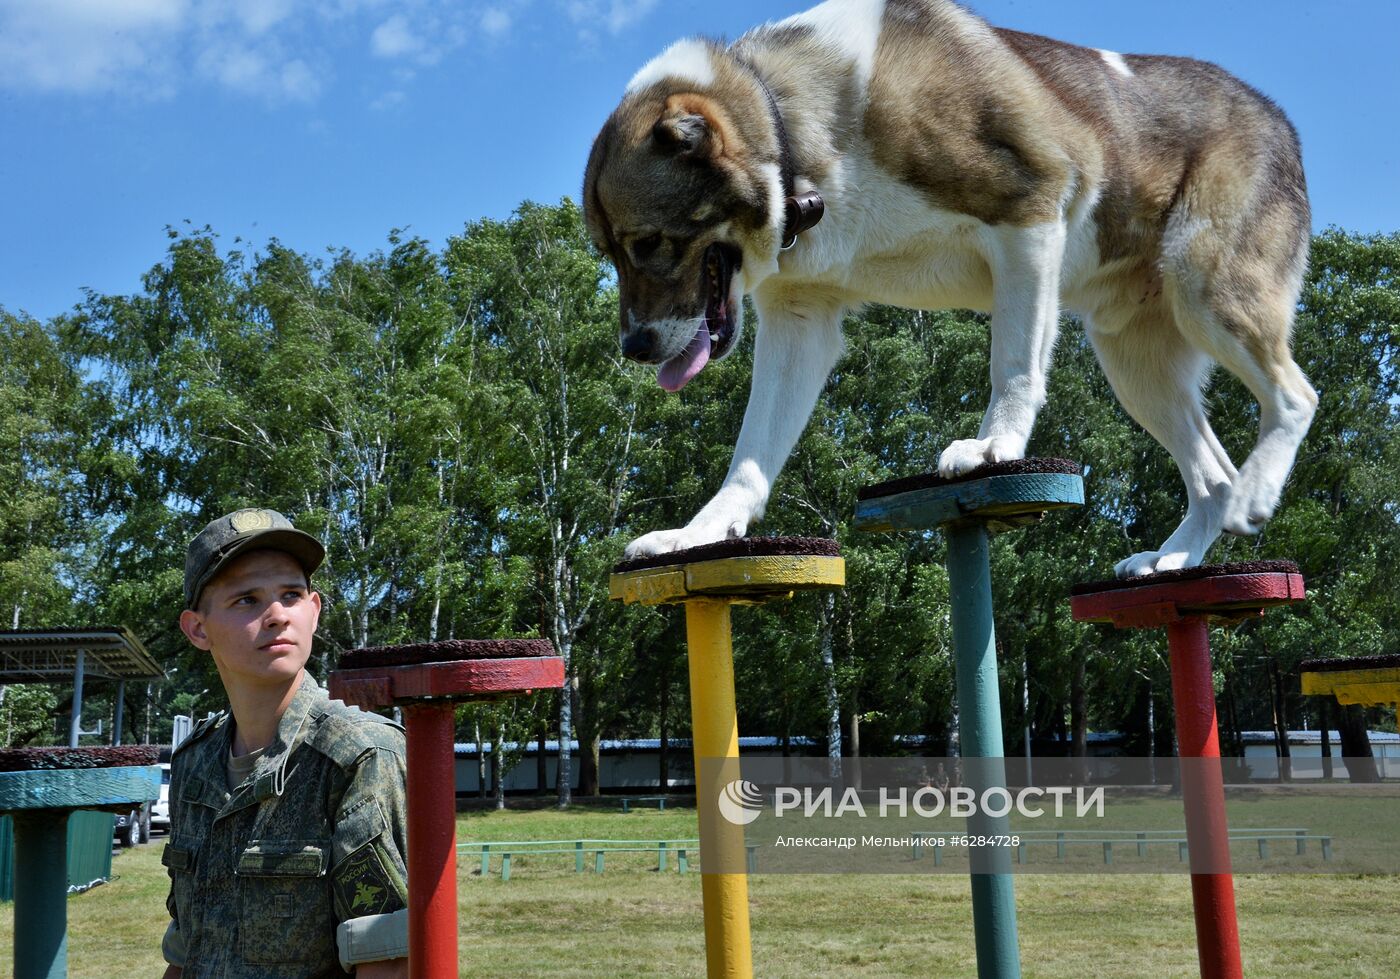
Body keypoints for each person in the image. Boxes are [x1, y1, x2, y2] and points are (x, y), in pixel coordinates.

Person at [162, 508, 409, 977]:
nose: (276, 615)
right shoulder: (194, 763)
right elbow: (186, 950)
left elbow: (388, 961)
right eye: (246, 600)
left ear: (313, 611)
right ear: (198, 628)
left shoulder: (358, 755)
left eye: (291, 595)